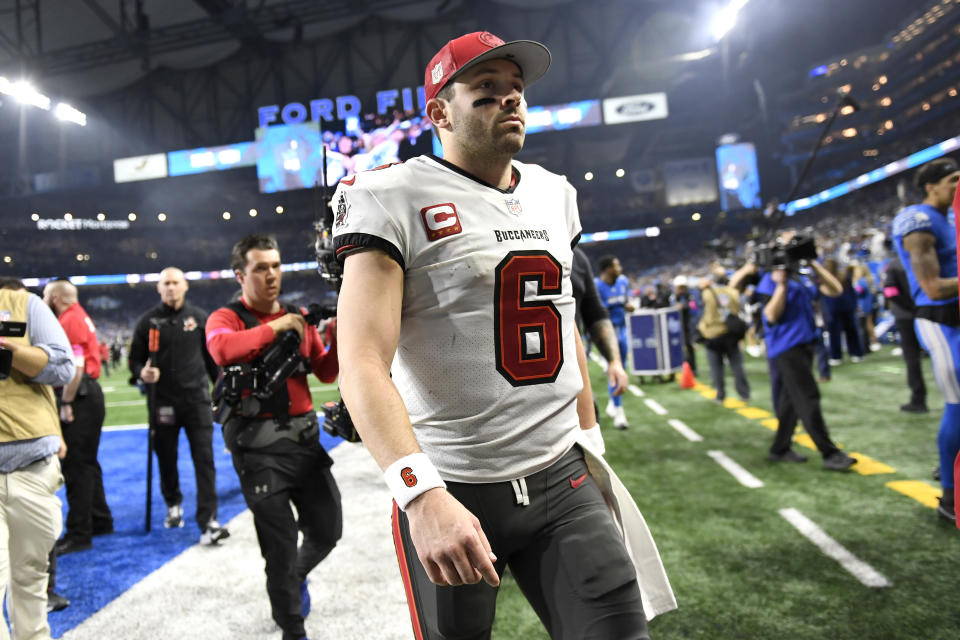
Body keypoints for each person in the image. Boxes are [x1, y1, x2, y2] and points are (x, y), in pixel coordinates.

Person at [333, 31, 674, 640]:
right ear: (439, 112)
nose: (510, 100)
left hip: (560, 474)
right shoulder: (389, 195)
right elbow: (359, 360)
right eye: (486, 90)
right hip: (455, 481)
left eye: (516, 89)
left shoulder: (555, 194)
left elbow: (562, 325)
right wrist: (418, 494)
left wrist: (590, 439)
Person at [206, 234, 342, 640]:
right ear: (240, 274)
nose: (271, 275)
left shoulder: (298, 319)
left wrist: (338, 338)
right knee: (279, 548)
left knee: (327, 531)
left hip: (304, 444)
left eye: (276, 266)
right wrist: (276, 327)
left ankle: (291, 581)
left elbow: (325, 371)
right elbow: (222, 351)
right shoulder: (226, 317)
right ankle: (292, 628)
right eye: (260, 268)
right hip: (258, 451)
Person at [129, 267, 228, 542]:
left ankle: (209, 519)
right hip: (163, 403)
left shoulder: (199, 319)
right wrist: (142, 373)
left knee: (205, 460)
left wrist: (221, 397)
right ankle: (173, 504)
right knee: (166, 458)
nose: (171, 288)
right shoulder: (147, 322)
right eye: (166, 284)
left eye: (175, 283)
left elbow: (213, 365)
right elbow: (134, 361)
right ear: (159, 288)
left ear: (185, 286)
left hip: (197, 401)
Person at [0, 278, 75, 637]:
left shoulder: (23, 304)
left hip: (30, 466)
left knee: (30, 578)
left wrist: (9, 351)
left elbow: (63, 368)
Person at [746, 242, 858, 470]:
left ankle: (779, 448)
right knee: (808, 398)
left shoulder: (800, 277)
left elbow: (835, 290)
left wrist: (813, 264)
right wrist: (781, 284)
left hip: (804, 345)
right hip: (787, 349)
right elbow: (771, 315)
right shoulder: (771, 280)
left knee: (790, 403)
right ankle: (829, 453)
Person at [892, 157, 960, 523]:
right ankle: (950, 499)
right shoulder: (917, 221)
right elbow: (933, 288)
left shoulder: (949, 221)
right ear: (931, 186)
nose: (958, 186)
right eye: (953, 180)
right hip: (942, 323)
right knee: (958, 404)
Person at [42, 279, 113, 556]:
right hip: (86, 394)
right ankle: (100, 519)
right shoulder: (78, 316)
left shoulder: (69, 320)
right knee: (87, 463)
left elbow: (76, 367)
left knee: (76, 466)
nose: (43, 299)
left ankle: (79, 533)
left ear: (57, 297)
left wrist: (67, 402)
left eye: (46, 295)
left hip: (79, 396)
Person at [571, 247, 630, 426]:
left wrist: (614, 361)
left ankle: (617, 407)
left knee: (588, 441)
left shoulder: (576, 257)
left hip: (572, 375)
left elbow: (594, 311)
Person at [697, 264, 750, 404]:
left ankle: (720, 395)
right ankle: (744, 394)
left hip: (713, 334)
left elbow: (699, 309)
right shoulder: (732, 292)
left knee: (716, 367)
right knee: (737, 365)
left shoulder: (707, 293)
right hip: (730, 333)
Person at [883, 253, 927, 413]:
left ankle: (918, 400)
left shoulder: (895, 264)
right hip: (927, 312)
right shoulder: (924, 258)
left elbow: (890, 292)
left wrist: (910, 307)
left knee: (912, 358)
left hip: (906, 316)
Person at [595, 255, 634, 428]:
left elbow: (624, 301)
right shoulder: (597, 286)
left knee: (621, 368)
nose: (620, 268)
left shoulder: (623, 282)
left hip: (622, 330)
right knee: (615, 370)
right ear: (608, 269)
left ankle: (613, 403)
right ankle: (619, 411)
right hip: (607, 334)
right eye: (617, 265)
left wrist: (628, 306)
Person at [671, 275, 698, 375]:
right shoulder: (677, 296)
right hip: (680, 325)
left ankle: (693, 369)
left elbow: (693, 306)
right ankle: (685, 366)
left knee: (689, 346)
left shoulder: (689, 295)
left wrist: (683, 306)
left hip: (688, 324)